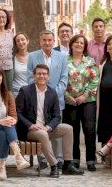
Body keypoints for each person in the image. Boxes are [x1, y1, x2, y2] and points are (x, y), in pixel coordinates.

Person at [16, 64, 84, 178]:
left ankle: (67, 164)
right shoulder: (25, 91)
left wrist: (48, 127)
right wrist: (31, 125)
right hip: (29, 130)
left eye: (44, 74)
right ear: (34, 75)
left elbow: (57, 116)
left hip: (45, 128)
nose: (41, 76)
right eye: (39, 73)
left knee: (68, 128)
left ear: (48, 76)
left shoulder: (52, 93)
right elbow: (17, 113)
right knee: (42, 133)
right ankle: (54, 165)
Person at [27, 30, 67, 169]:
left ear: (53, 41)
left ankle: (59, 159)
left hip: (55, 99)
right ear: (40, 41)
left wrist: (52, 95)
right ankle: (43, 161)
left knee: (54, 128)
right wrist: (41, 92)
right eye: (44, 40)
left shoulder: (62, 57)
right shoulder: (32, 56)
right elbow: (29, 77)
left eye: (50, 40)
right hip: (37, 98)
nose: (47, 42)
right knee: (40, 127)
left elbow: (64, 79)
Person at [63, 34, 99, 171]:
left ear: (85, 47)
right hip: (70, 101)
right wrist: (67, 96)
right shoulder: (64, 61)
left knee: (89, 129)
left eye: (82, 43)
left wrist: (85, 95)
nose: (79, 45)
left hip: (88, 100)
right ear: (71, 45)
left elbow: (94, 80)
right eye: (76, 42)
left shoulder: (90, 61)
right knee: (73, 130)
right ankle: (75, 159)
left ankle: (90, 160)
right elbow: (61, 80)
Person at [12, 32, 29, 98]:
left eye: (22, 39)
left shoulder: (33, 57)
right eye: (18, 41)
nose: (21, 42)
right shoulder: (12, 58)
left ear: (27, 41)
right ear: (16, 44)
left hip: (29, 93)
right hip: (16, 93)